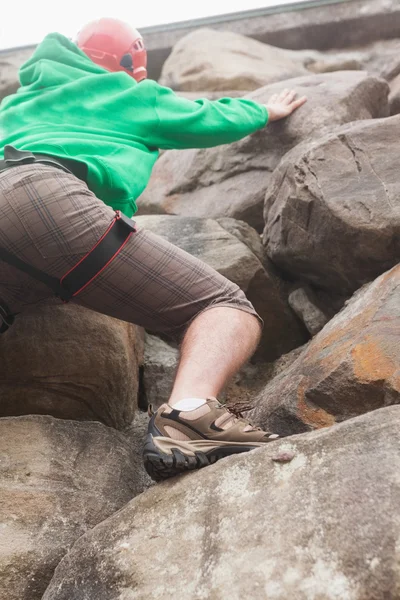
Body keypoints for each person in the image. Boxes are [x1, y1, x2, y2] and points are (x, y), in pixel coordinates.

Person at [0, 17, 307, 481]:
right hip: (46, 198)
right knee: (223, 306)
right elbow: (204, 118)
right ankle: (188, 419)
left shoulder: (18, 101)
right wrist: (263, 111)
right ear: (130, 64)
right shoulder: (127, 92)